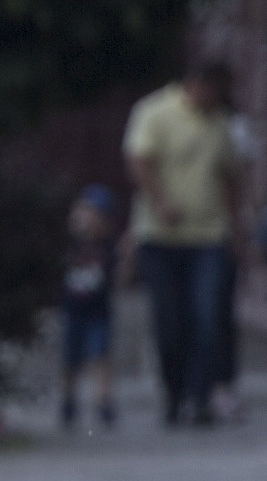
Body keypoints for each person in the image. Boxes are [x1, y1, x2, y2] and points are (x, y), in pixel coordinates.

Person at [124, 62, 241, 428]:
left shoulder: (219, 122)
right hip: (161, 238)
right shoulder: (154, 111)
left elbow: (228, 176)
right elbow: (139, 160)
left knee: (207, 317)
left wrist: (236, 228)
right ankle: (174, 394)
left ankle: (200, 398)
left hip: (208, 237)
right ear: (198, 84)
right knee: (170, 322)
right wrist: (160, 201)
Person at [58, 186, 120, 433]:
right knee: (70, 359)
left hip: (98, 313)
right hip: (72, 311)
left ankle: (104, 401)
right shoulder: (67, 246)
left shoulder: (108, 249)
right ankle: (68, 400)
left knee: (100, 356)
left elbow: (119, 278)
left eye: (96, 215)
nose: (89, 220)